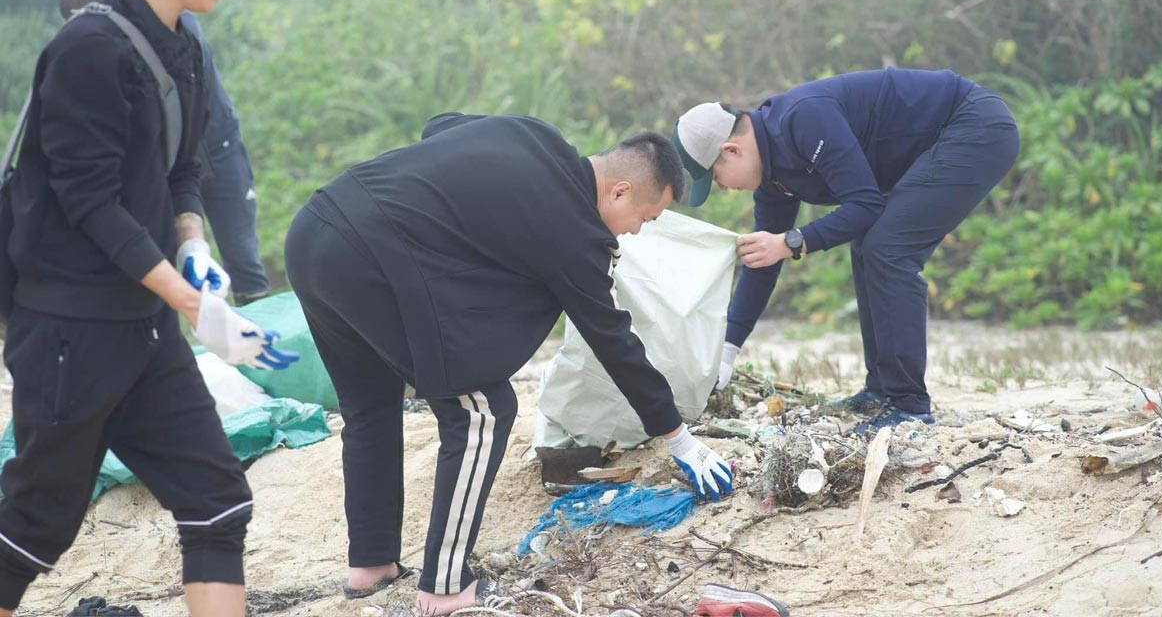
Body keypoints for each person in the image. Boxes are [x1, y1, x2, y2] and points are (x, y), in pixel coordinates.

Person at [284, 114, 734, 615]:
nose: (634, 232)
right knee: (483, 410)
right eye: (645, 219)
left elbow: (439, 126)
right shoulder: (572, 231)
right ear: (620, 192)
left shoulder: (532, 133)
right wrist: (680, 439)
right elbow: (614, 341)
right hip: (368, 258)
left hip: (314, 231)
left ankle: (371, 566)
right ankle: (446, 588)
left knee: (370, 406)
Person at [0, 0, 296, 617]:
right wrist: (192, 304)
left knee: (217, 502)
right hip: (69, 331)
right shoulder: (87, 53)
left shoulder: (185, 49)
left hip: (141, 328)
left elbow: (181, 173)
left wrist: (195, 250)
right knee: (31, 530)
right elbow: (92, 205)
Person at [673, 68, 1020, 433]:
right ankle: (881, 389)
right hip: (941, 142)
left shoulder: (803, 119)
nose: (724, 189)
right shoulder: (773, 179)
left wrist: (793, 241)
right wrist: (728, 349)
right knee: (868, 243)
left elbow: (865, 205)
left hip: (972, 126)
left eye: (715, 178)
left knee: (888, 248)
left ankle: (909, 405)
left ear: (731, 150)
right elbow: (764, 260)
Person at [59, 0, 272, 306]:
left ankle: (257, 336)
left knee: (243, 263)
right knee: (170, 275)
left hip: (214, 152)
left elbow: (180, 123)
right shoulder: (85, 63)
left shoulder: (170, 30)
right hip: (168, 172)